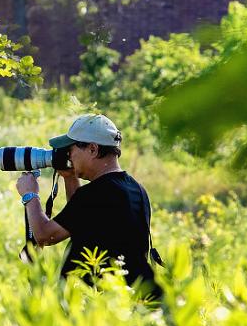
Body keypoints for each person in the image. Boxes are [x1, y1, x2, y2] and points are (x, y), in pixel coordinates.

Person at [15, 114, 160, 294]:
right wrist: (70, 178)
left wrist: (30, 195)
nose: (68, 155)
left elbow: (45, 236)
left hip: (96, 303)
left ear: (92, 149)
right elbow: (83, 219)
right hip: (128, 295)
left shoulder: (96, 194)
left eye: (71, 149)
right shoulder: (135, 188)